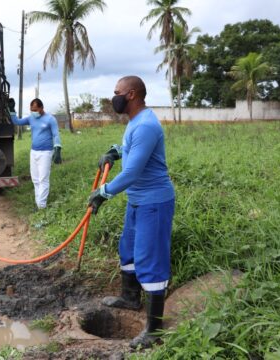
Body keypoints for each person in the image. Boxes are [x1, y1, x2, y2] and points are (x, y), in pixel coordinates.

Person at [88, 76, 175, 349]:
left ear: (132, 94)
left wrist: (103, 193)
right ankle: (130, 297)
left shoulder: (147, 125)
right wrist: (115, 151)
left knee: (151, 260)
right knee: (128, 249)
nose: (114, 97)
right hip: (138, 201)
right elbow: (131, 150)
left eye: (117, 93)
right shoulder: (135, 122)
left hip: (154, 202)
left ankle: (154, 330)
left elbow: (133, 171)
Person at [9, 98, 62, 210]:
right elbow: (17, 122)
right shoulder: (31, 118)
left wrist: (57, 148)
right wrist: (12, 110)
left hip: (46, 153)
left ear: (41, 108)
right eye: (31, 109)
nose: (33, 112)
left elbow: (56, 134)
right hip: (34, 152)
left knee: (43, 179)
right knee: (35, 179)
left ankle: (41, 206)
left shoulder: (50, 119)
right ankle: (38, 203)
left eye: (35, 109)